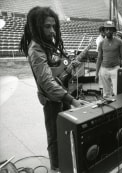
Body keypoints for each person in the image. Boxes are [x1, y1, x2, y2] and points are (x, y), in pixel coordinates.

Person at [19, 6, 88, 171]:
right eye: (47, 26)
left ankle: (65, 162)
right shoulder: (35, 49)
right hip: (52, 101)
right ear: (36, 27)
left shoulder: (48, 44)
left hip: (62, 96)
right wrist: (72, 100)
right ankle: (56, 168)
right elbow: (47, 82)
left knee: (65, 132)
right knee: (54, 137)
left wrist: (71, 67)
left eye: (54, 26)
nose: (52, 30)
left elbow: (58, 74)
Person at [95, 21, 122, 98]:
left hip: (115, 69)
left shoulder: (119, 42)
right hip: (104, 70)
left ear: (113, 30)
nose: (108, 31)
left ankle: (117, 108)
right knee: (106, 94)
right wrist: (96, 74)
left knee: (117, 93)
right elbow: (99, 59)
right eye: (107, 29)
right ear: (104, 31)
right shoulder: (101, 43)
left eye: (110, 29)